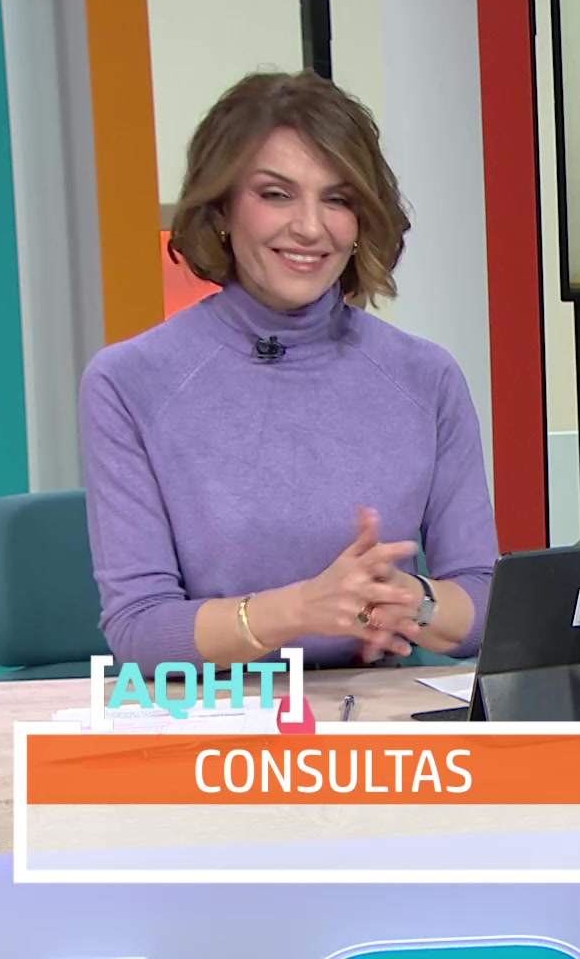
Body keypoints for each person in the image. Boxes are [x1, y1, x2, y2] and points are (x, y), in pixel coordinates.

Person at [79, 70, 499, 673]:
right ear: (222, 208)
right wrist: (302, 608)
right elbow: (141, 631)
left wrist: (416, 602)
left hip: (378, 717)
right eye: (276, 194)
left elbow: (483, 601)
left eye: (338, 199)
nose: (309, 227)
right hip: (217, 716)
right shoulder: (128, 382)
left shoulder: (426, 377)